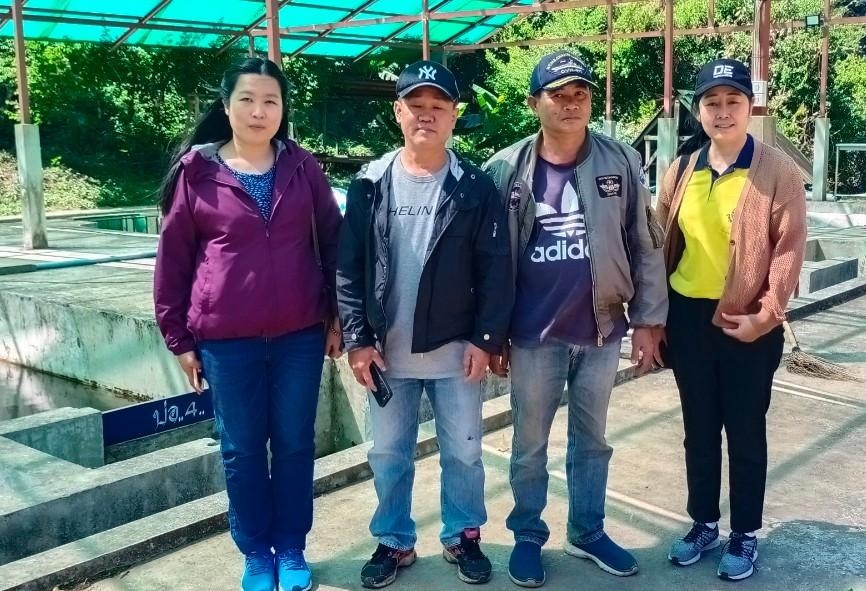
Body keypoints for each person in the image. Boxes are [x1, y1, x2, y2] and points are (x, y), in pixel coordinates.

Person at [153, 58, 343, 591]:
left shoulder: (302, 167)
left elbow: (334, 243)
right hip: (225, 341)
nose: (259, 111)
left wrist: (338, 317)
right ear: (227, 105)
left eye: (271, 101)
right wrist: (178, 337)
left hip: (299, 335)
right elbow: (173, 259)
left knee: (295, 442)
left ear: (283, 110)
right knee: (241, 449)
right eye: (248, 100)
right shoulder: (197, 171)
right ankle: (257, 552)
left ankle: (292, 546)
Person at [483, 51, 668, 588]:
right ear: (534, 103)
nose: (570, 103)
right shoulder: (505, 168)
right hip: (533, 333)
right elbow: (489, 259)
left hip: (601, 329)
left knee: (592, 440)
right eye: (558, 94)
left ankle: (587, 531)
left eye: (580, 93)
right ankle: (526, 535)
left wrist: (648, 320)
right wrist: (491, 333)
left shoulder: (620, 161)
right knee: (529, 444)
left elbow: (644, 243)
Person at [335, 60, 513, 589]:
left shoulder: (474, 187)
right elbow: (348, 268)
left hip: (455, 352)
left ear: (454, 115)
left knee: (464, 451)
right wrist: (357, 339)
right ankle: (394, 539)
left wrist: (485, 339)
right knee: (388, 454)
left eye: (438, 106)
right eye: (416, 105)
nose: (426, 115)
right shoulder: (369, 183)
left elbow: (495, 268)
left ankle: (463, 536)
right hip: (386, 354)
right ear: (398, 112)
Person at [656, 58, 807, 581]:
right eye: (712, 102)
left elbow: (788, 249)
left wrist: (766, 317)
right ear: (698, 110)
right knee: (698, 429)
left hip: (746, 322)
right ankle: (703, 523)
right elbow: (661, 241)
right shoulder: (682, 170)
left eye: (733, 101)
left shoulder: (776, 171)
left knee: (745, 431)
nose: (722, 112)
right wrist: (655, 317)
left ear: (751, 106)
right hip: (687, 318)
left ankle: (744, 534)